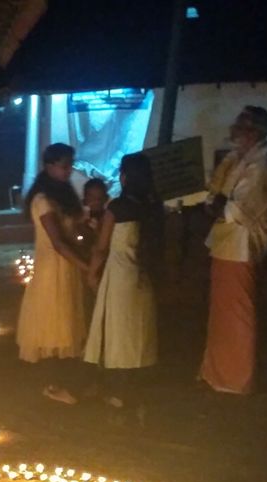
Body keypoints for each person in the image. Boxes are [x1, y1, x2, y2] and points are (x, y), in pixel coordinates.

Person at [199, 106, 267, 395]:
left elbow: (242, 206)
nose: (234, 128)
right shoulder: (239, 158)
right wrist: (215, 204)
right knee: (222, 312)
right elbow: (217, 196)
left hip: (240, 245)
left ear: (254, 131)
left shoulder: (260, 163)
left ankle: (235, 378)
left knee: (236, 312)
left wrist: (218, 206)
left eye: (241, 123)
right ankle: (218, 372)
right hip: (227, 242)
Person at [84, 153, 162, 414]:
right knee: (137, 331)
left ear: (125, 176)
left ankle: (118, 393)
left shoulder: (117, 208)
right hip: (143, 274)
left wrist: (92, 273)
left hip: (119, 276)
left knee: (117, 334)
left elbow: (102, 247)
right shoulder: (152, 205)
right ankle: (138, 390)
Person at [16, 142, 90, 404]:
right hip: (53, 268)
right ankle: (51, 384)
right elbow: (58, 242)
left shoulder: (62, 196)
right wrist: (87, 267)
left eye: (71, 165)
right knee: (53, 325)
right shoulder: (42, 200)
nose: (69, 171)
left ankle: (62, 382)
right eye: (64, 166)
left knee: (66, 323)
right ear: (49, 166)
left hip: (67, 266)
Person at [79, 177, 109, 254]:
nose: (94, 202)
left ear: (105, 199)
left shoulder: (108, 219)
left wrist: (98, 230)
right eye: (91, 198)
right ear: (85, 198)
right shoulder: (77, 214)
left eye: (98, 199)